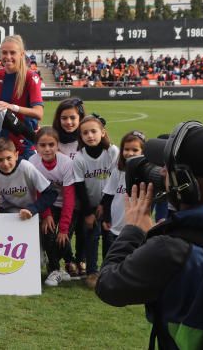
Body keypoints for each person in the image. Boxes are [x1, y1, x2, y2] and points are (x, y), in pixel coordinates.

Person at [96, 124, 203, 350]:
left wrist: (133, 230)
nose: (161, 173)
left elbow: (109, 286)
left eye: (167, 168)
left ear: (184, 182)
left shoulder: (170, 248)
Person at [73, 115, 119, 288]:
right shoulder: (79, 158)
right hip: (90, 206)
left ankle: (108, 271)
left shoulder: (113, 152)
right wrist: (88, 213)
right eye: (85, 133)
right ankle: (92, 272)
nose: (90, 135)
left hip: (110, 202)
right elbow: (80, 187)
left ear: (103, 132)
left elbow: (116, 180)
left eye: (94, 131)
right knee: (91, 237)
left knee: (109, 237)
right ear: (81, 136)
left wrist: (105, 206)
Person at [29, 128, 77, 287]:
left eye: (51, 144)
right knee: (47, 234)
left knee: (63, 239)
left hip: (67, 207)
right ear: (36, 146)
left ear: (57, 146)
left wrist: (63, 228)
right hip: (47, 205)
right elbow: (38, 192)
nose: (47, 149)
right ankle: (55, 270)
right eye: (42, 145)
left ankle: (63, 264)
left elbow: (69, 196)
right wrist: (47, 214)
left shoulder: (67, 163)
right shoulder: (33, 162)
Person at [0, 35, 44, 159]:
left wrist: (11, 107)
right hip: (2, 144)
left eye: (12, 52)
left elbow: (39, 113)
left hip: (24, 143)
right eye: (4, 52)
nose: (8, 57)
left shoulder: (31, 77)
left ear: (21, 54)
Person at [0, 138, 56, 219]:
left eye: (9, 158)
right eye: (0, 160)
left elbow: (51, 193)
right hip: (6, 213)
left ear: (16, 155)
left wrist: (33, 209)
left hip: (29, 212)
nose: (5, 164)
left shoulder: (26, 167)